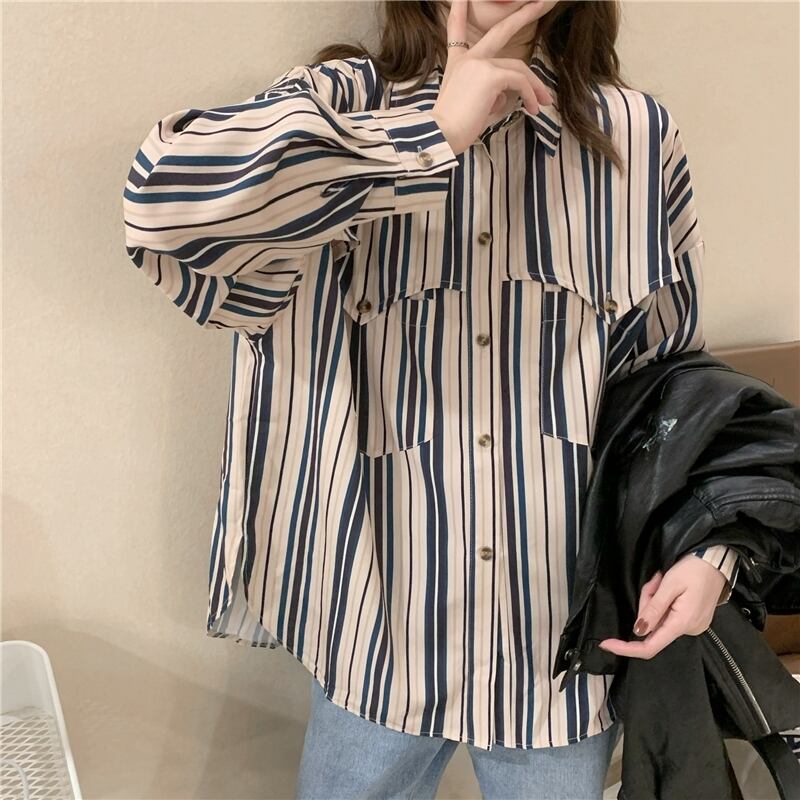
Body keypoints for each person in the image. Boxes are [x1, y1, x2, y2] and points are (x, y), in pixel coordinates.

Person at [122, 1, 742, 796]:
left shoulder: (637, 137)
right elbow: (160, 207)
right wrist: (427, 136)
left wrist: (708, 553)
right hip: (378, 640)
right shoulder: (345, 105)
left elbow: (675, 383)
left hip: (558, 648)